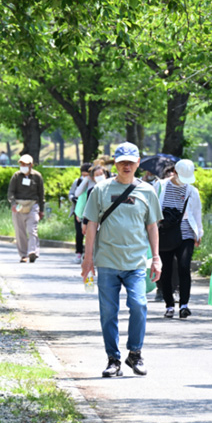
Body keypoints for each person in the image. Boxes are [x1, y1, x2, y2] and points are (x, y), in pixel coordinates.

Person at [81, 142, 162, 378]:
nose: (127, 166)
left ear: (138, 163)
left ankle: (135, 353)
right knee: (108, 312)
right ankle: (113, 359)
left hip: (136, 262)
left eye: (131, 161)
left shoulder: (147, 191)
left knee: (139, 305)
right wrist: (88, 261)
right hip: (107, 261)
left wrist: (156, 258)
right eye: (122, 162)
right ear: (115, 164)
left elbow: (152, 226)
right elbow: (92, 225)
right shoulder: (101, 190)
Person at [155, 159, 204, 319]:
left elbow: (197, 213)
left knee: (184, 266)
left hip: (186, 232)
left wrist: (199, 233)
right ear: (174, 172)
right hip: (165, 233)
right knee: (166, 269)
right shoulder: (160, 186)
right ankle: (169, 304)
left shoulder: (191, 190)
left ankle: (184, 305)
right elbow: (152, 209)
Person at [8, 154, 45, 263]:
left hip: (33, 204)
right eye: (21, 164)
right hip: (19, 203)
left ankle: (32, 252)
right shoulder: (16, 176)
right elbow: (11, 192)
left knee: (32, 229)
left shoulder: (37, 176)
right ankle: (23, 254)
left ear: (31, 165)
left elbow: (41, 193)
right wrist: (13, 204)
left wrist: (41, 209)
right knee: (20, 231)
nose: (23, 166)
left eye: (26, 164)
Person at [70, 163, 93, 263]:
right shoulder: (78, 181)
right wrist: (73, 199)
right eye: (83, 174)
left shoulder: (93, 182)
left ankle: (89, 254)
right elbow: (72, 193)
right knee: (79, 234)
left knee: (91, 234)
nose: (84, 176)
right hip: (78, 211)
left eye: (86, 174)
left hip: (91, 211)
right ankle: (78, 253)